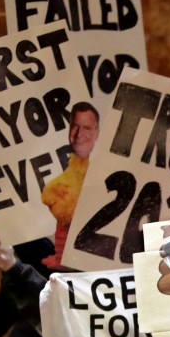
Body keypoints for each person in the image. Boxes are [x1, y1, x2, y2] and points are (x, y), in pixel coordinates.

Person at [41, 101, 99, 267]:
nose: (79, 134)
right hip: (65, 265)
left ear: (98, 132)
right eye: (75, 126)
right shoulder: (60, 177)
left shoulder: (105, 172)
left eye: (87, 128)